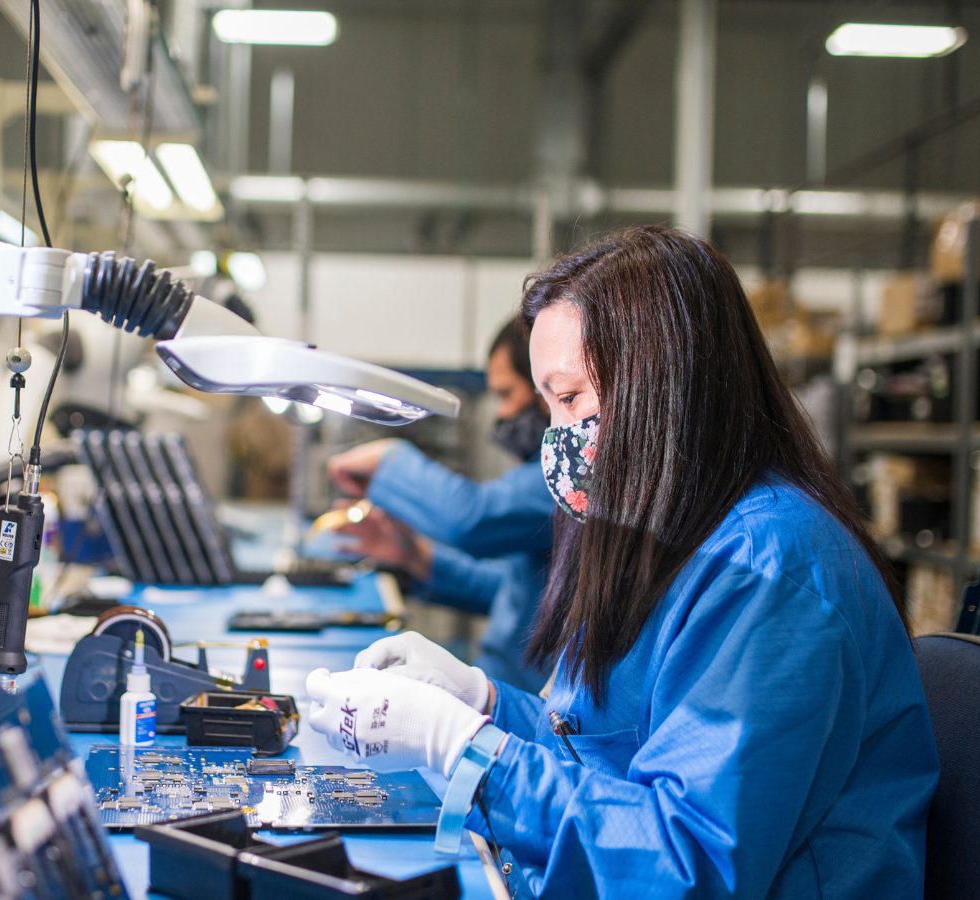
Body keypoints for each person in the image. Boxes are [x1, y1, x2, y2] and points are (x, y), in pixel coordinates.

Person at [303, 227, 939, 898]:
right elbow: (606, 755)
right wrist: (484, 706)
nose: (557, 438)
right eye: (550, 406)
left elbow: (684, 866)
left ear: (664, 387)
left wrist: (463, 750)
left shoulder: (773, 570)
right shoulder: (671, 535)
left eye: (571, 399)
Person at [326, 320, 555, 690]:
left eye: (506, 393)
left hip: (524, 704)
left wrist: (390, 456)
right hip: (504, 688)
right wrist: (414, 554)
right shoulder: (541, 474)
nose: (501, 414)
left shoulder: (573, 477)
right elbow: (515, 596)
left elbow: (473, 517)